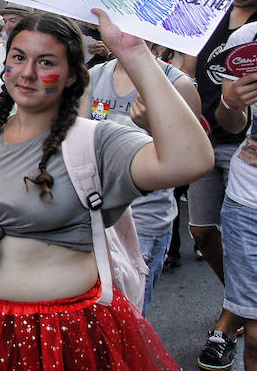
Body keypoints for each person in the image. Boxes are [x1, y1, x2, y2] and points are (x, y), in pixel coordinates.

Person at [0, 10, 214, 370]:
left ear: (72, 76)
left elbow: (190, 161)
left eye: (47, 62)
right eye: (19, 57)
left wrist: (134, 53)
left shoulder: (98, 142)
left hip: (62, 336)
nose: (27, 73)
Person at [85, 47, 200, 316]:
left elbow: (192, 163)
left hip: (144, 222)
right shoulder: (92, 76)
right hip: (98, 218)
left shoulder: (177, 84)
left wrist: (153, 126)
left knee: (131, 321)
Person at [181, 0, 257, 370]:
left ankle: (230, 321)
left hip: (238, 147)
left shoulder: (252, 31)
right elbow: (185, 69)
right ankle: (244, 301)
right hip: (204, 136)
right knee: (202, 231)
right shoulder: (208, 16)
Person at [213, 20, 257, 371]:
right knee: (256, 334)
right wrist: (231, 103)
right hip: (248, 203)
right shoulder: (247, 40)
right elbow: (231, 124)